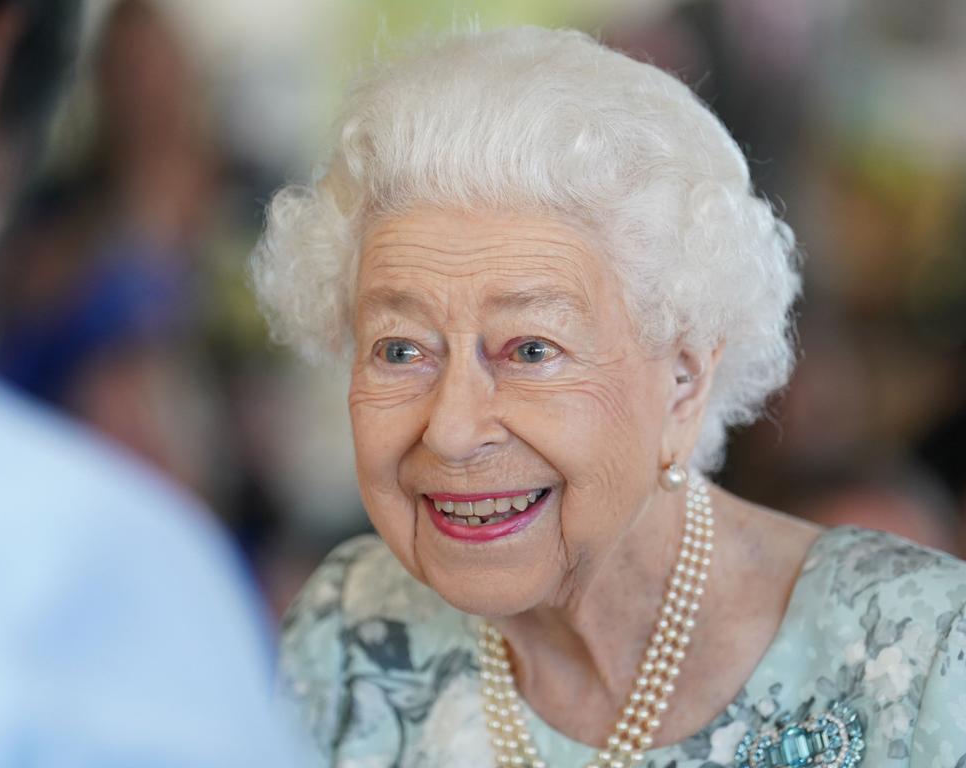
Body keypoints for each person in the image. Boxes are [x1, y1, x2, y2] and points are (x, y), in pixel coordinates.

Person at [253, 27, 966, 768]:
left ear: (684, 384)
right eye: (400, 350)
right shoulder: (347, 635)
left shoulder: (924, 662)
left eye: (531, 349)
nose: (454, 431)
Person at [0, 2, 308, 764]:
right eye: (126, 66)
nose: (146, 86)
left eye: (160, 63)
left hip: (247, 492)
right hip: (95, 476)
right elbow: (30, 331)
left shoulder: (255, 191)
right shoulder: (58, 203)